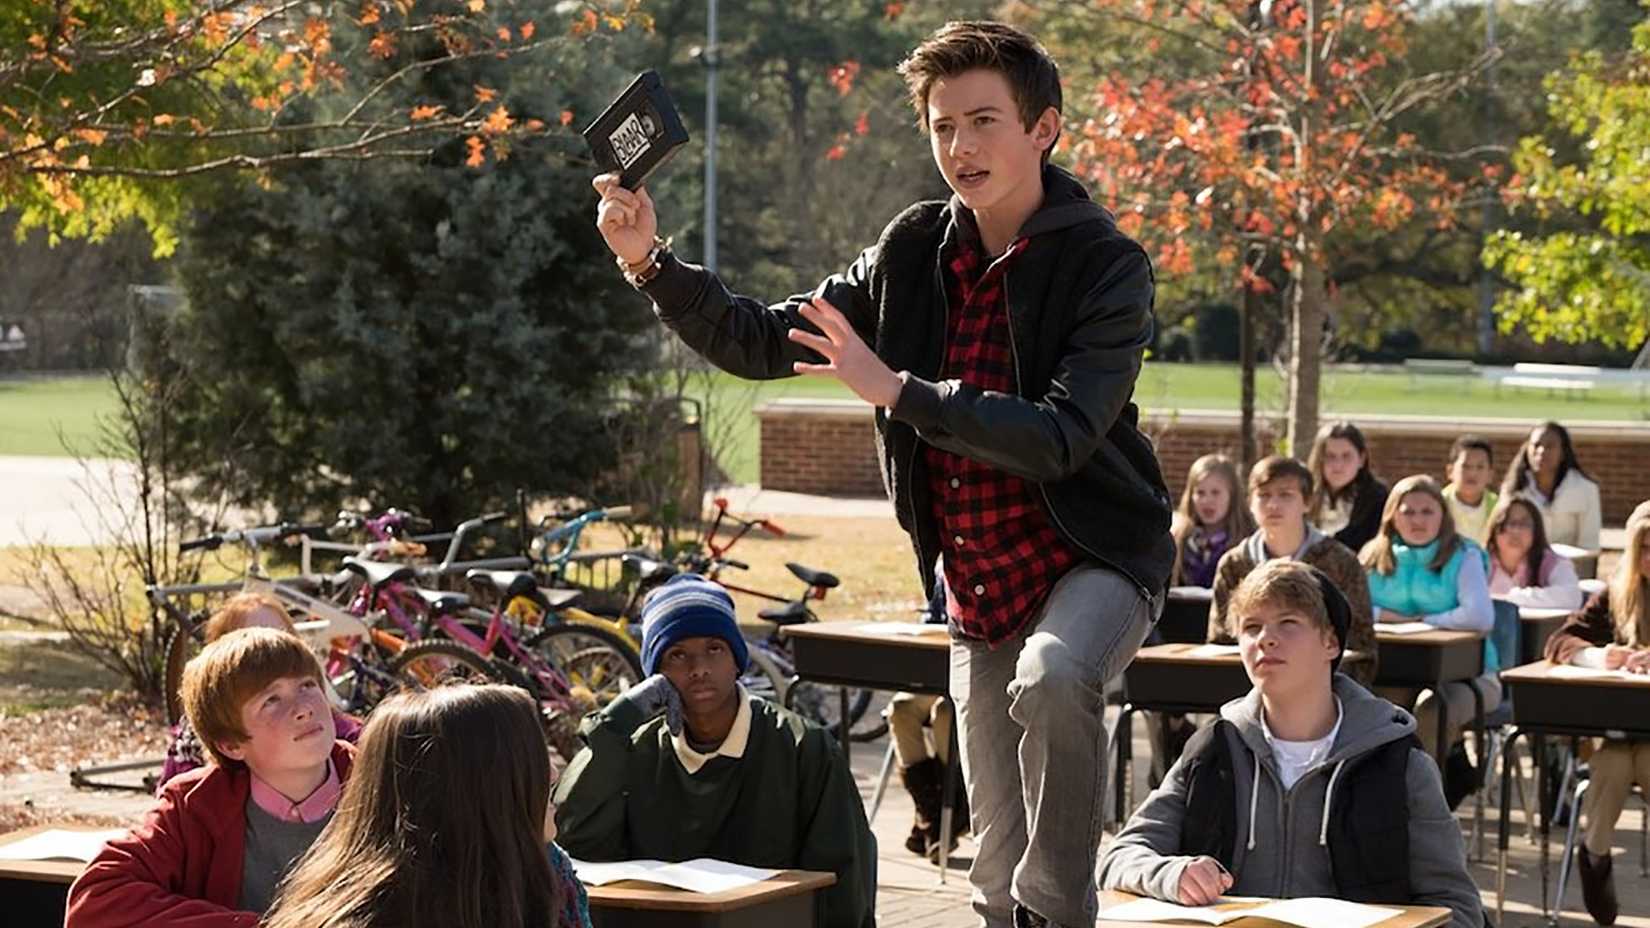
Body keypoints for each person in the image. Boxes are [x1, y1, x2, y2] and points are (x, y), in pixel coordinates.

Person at [592, 22, 1172, 928]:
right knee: (992, 865)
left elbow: (1063, 436)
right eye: (943, 127)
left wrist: (898, 389)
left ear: (1045, 128)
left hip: (1095, 555)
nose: (961, 147)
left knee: (1058, 677)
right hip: (979, 585)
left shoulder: (1108, 265)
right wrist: (649, 264)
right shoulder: (909, 251)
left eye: (984, 121)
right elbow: (761, 337)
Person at [1099, 560, 1484, 928]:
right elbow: (1117, 857)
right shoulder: (1213, 750)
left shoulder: (1397, 759)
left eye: (1288, 623)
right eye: (1251, 627)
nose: (1266, 638)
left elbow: (1455, 905)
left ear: (1331, 642)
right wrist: (1172, 874)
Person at [554, 574, 876, 928]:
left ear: (737, 661)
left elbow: (844, 886)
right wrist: (613, 726)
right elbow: (575, 843)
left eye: (714, 649)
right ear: (654, 675)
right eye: (677, 655)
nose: (699, 669)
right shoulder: (632, 748)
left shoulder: (804, 748)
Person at [66, 628, 354, 928]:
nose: (304, 709)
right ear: (231, 745)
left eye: (307, 685)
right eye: (271, 700)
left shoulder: (385, 778)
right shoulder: (193, 805)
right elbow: (95, 900)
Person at [262, 684, 589, 928]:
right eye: (529, 758)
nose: (553, 772)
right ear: (473, 792)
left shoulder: (544, 871)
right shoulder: (365, 919)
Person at [1540, 500, 1650, 926]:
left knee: (1639, 761)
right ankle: (1595, 854)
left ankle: (1594, 857)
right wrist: (1603, 656)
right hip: (1622, 727)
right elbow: (1561, 642)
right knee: (1614, 762)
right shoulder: (1617, 593)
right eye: (1643, 548)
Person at [1360, 475, 1496, 779]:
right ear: (1392, 516)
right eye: (1407, 512)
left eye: (1427, 511)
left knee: (1432, 714)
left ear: (1443, 516)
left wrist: (1425, 621)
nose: (1417, 520)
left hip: (1471, 677)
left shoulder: (1464, 554)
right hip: (1396, 670)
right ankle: (1383, 800)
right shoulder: (1372, 556)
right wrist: (1390, 616)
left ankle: (1424, 804)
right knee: (1379, 715)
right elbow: (1355, 610)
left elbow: (1479, 616)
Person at [158, 592, 363, 791]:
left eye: (281, 636)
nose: (271, 651)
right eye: (252, 640)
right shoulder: (194, 781)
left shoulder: (333, 728)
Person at [1206, 456, 1376, 687]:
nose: (1273, 505)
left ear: (1307, 502)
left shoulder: (1339, 560)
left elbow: (1360, 643)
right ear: (1250, 502)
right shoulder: (1235, 564)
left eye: (1285, 495)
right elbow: (1221, 640)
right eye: (1264, 495)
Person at [887, 573, 969, 863]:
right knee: (901, 708)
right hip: (935, 674)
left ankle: (950, 806)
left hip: (973, 678)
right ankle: (936, 814)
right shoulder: (939, 574)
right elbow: (929, 622)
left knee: (945, 714)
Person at [1501, 420, 1602, 551]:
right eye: (1536, 445)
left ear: (1563, 452)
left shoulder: (1586, 489)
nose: (1541, 451)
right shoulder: (1513, 490)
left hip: (1569, 567)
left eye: (1550, 446)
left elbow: (1589, 546)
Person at [1171, 453, 1254, 589]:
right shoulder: (1179, 538)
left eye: (1215, 492)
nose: (1207, 501)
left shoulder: (1247, 541)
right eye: (1200, 493)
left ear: (1232, 495)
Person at [1485, 497, 1583, 610]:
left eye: (1524, 524)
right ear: (1494, 530)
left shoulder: (1553, 563)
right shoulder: (1478, 563)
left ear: (1536, 531)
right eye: (1509, 523)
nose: (1516, 531)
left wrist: (1515, 597)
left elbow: (1572, 596)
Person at [1306, 421, 1388, 554]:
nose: (1338, 465)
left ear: (1361, 459)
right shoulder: (1303, 495)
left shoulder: (1378, 500)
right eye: (1330, 456)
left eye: (1346, 456)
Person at [1442, 435, 1499, 547]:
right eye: (1466, 466)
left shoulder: (1500, 509)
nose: (1472, 473)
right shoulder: (1437, 505)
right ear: (1450, 471)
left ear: (1490, 475)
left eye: (1480, 467)